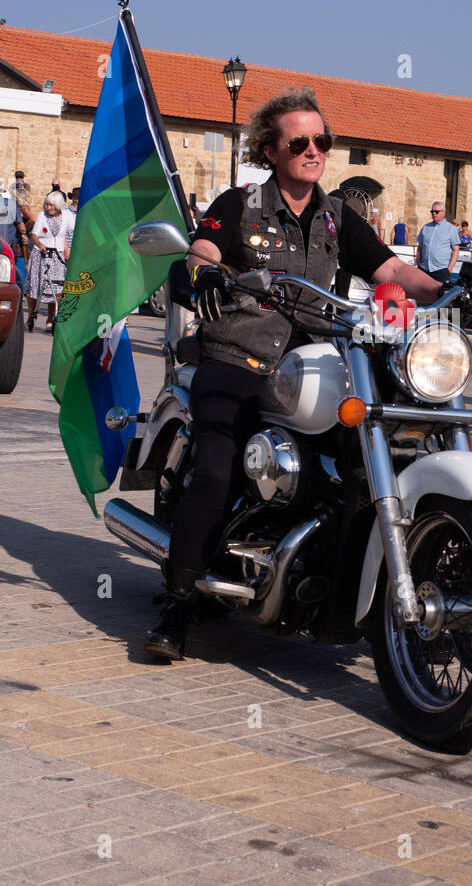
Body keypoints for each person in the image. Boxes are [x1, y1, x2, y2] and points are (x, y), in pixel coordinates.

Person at [145, 87, 444, 660]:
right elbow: (203, 250)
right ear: (270, 151)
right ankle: (178, 602)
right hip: (237, 359)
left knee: (362, 454)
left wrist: (449, 288)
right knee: (216, 470)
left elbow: (391, 268)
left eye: (322, 141)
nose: (314, 151)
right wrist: (207, 273)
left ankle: (338, 582)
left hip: (312, 364)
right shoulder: (239, 204)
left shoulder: (337, 218)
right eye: (300, 142)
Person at [25, 191, 73, 332]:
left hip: (57, 256)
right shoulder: (42, 215)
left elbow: (73, 230)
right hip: (41, 254)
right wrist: (40, 245)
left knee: (56, 289)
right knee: (36, 288)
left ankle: (51, 318)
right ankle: (31, 316)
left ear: (57, 205)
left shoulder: (66, 216)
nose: (47, 207)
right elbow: (34, 235)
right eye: (46, 204)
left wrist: (67, 248)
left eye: (51, 205)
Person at [416, 202, 460, 282]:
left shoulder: (451, 229)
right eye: (432, 211)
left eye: (436, 212)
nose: (434, 214)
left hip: (441, 270)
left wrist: (449, 268)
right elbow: (420, 247)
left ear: (444, 212)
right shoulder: (426, 227)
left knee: (440, 294)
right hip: (424, 269)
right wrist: (418, 262)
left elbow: (456, 250)